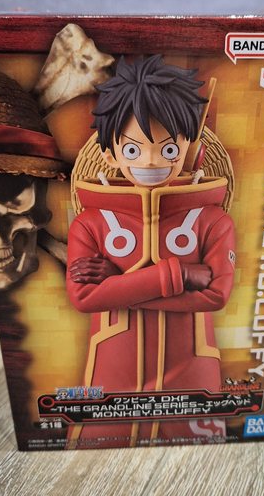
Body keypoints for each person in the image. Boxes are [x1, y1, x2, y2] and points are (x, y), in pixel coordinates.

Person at [66, 55, 235, 447]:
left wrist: (120, 286)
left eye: (169, 149)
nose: (151, 161)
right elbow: (83, 297)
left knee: (200, 458)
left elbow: (216, 295)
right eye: (132, 150)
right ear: (109, 154)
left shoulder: (213, 221)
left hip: (192, 372)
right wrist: (177, 276)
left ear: (193, 151)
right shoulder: (90, 223)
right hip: (112, 373)